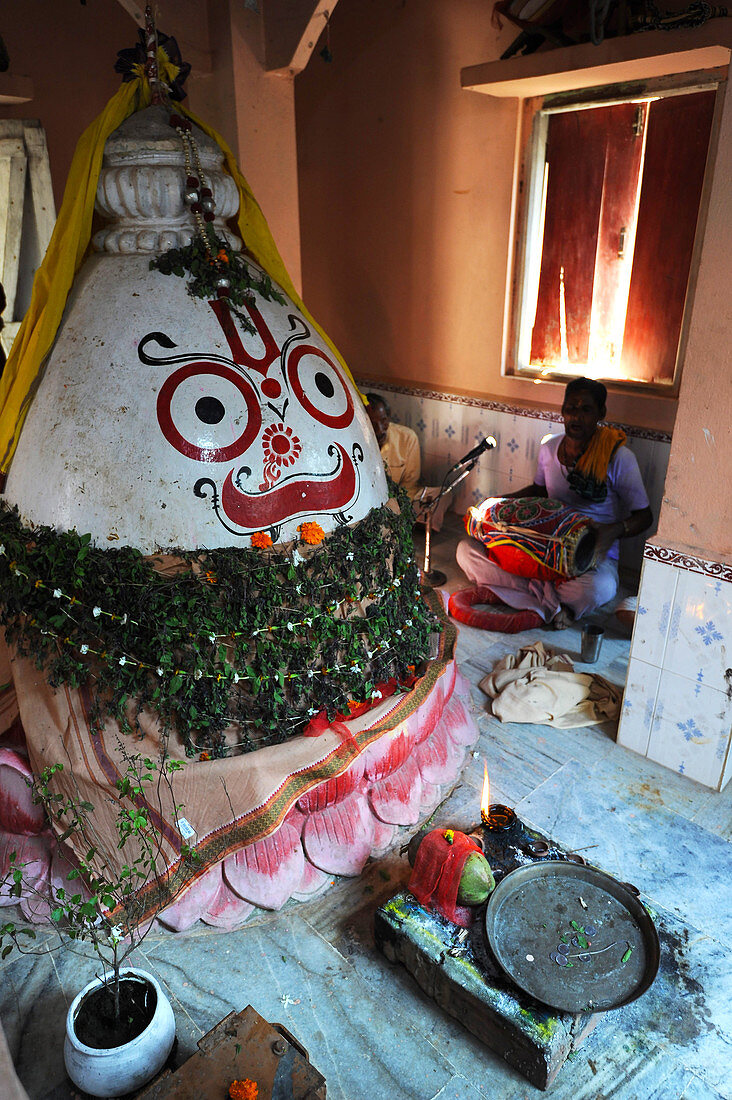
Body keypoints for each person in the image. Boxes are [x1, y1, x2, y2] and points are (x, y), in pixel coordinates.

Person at [456, 377, 652, 629]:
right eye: (571, 408)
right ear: (562, 409)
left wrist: (613, 530)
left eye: (586, 410)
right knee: (466, 550)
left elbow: (644, 516)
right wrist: (495, 504)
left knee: (600, 588)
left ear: (600, 413)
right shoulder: (550, 448)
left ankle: (527, 592)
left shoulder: (619, 458)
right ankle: (552, 600)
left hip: (590, 557)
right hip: (541, 546)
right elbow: (539, 491)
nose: (576, 417)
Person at [366, 393, 450, 530]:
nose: (380, 429)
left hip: (401, 499)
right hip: (368, 505)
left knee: (444, 494)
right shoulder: (354, 441)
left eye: (383, 421)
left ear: (388, 418)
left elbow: (410, 483)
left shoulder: (407, 437)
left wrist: (394, 504)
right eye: (372, 424)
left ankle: (409, 524)